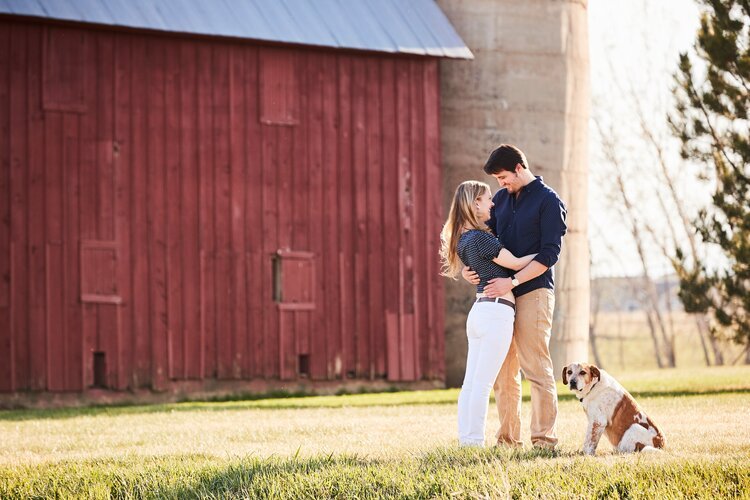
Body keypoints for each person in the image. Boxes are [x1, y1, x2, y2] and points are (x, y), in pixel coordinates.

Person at [462, 144, 567, 449]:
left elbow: (550, 254)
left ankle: (544, 440)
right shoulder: (500, 201)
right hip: (500, 298)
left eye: (504, 177)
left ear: (520, 168)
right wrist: (471, 271)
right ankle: (508, 440)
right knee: (503, 372)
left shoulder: (549, 201)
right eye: (497, 180)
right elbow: (485, 244)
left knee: (535, 365)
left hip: (533, 290)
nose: (500, 184)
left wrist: (514, 280)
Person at [440, 180, 537, 447]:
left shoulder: (462, 241)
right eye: (488, 198)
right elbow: (516, 263)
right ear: (475, 204)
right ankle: (474, 443)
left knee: (470, 383)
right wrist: (546, 252)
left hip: (480, 313)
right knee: (481, 385)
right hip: (496, 314)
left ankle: (466, 440)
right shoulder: (481, 239)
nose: (493, 203)